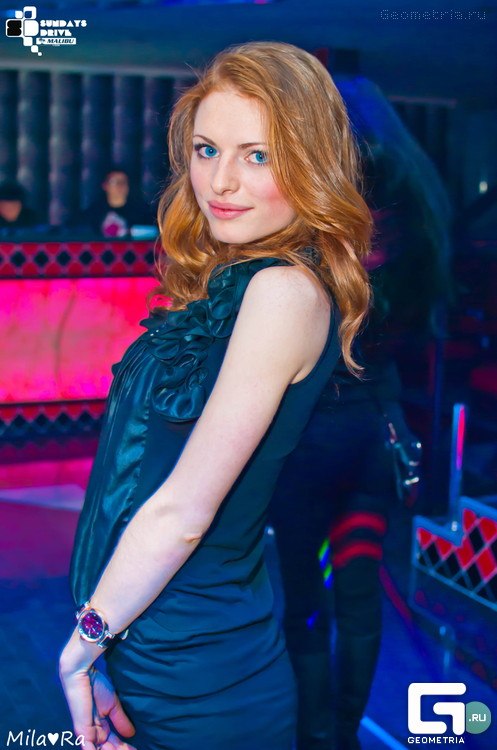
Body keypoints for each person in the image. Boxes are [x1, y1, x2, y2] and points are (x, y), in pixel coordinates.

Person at [59, 42, 372, 750]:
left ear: (310, 163)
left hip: (200, 676)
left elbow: (183, 511)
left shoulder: (284, 291)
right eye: (206, 150)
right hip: (140, 641)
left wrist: (82, 646)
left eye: (257, 156)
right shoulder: (230, 280)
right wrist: (102, 637)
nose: (221, 181)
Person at [269, 76, 453, 750]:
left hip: (309, 438)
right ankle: (343, 733)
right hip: (374, 434)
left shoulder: (321, 213)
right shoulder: (412, 215)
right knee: (358, 591)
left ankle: (315, 734)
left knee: (303, 593)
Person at [77, 167, 153, 237]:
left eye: (123, 182)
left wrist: (131, 232)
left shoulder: (141, 211)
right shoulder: (94, 212)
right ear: (105, 186)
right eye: (114, 182)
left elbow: (154, 231)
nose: (120, 185)